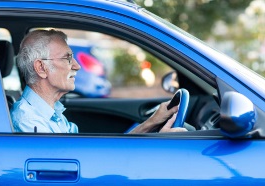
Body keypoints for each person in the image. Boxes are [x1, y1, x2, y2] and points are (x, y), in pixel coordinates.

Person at [10, 29, 187, 133]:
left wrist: (152, 122)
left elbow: (90, 160)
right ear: (41, 68)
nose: (77, 66)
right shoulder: (30, 122)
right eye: (67, 58)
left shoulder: (48, 114)